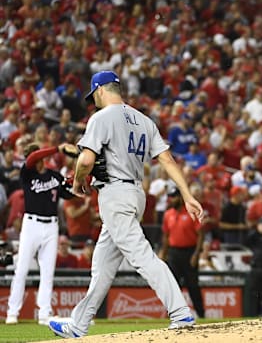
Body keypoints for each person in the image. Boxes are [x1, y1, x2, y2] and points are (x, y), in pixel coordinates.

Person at [49, 71, 204, 338]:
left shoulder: (101, 117)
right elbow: (167, 160)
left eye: (93, 95)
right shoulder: (144, 120)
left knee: (142, 256)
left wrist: (77, 183)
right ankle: (78, 325)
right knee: (103, 265)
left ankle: (180, 312)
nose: (93, 101)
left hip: (115, 194)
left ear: (99, 90)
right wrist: (187, 194)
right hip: (134, 193)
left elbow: (85, 161)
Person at [5, 142, 78, 325]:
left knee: (48, 271)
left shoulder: (53, 175)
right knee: (21, 269)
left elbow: (66, 194)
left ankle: (44, 313)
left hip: (51, 226)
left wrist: (74, 184)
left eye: (37, 155)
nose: (35, 160)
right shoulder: (27, 172)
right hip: (31, 225)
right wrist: (58, 148)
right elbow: (31, 159)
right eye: (32, 156)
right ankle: (12, 312)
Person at [159, 185, 206, 318]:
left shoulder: (190, 212)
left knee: (193, 285)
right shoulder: (168, 214)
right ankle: (173, 314)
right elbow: (166, 235)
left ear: (180, 197)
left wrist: (197, 254)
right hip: (174, 253)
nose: (171, 200)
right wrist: (164, 253)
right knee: (173, 286)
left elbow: (201, 234)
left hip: (189, 252)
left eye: (174, 197)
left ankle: (201, 314)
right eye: (170, 197)